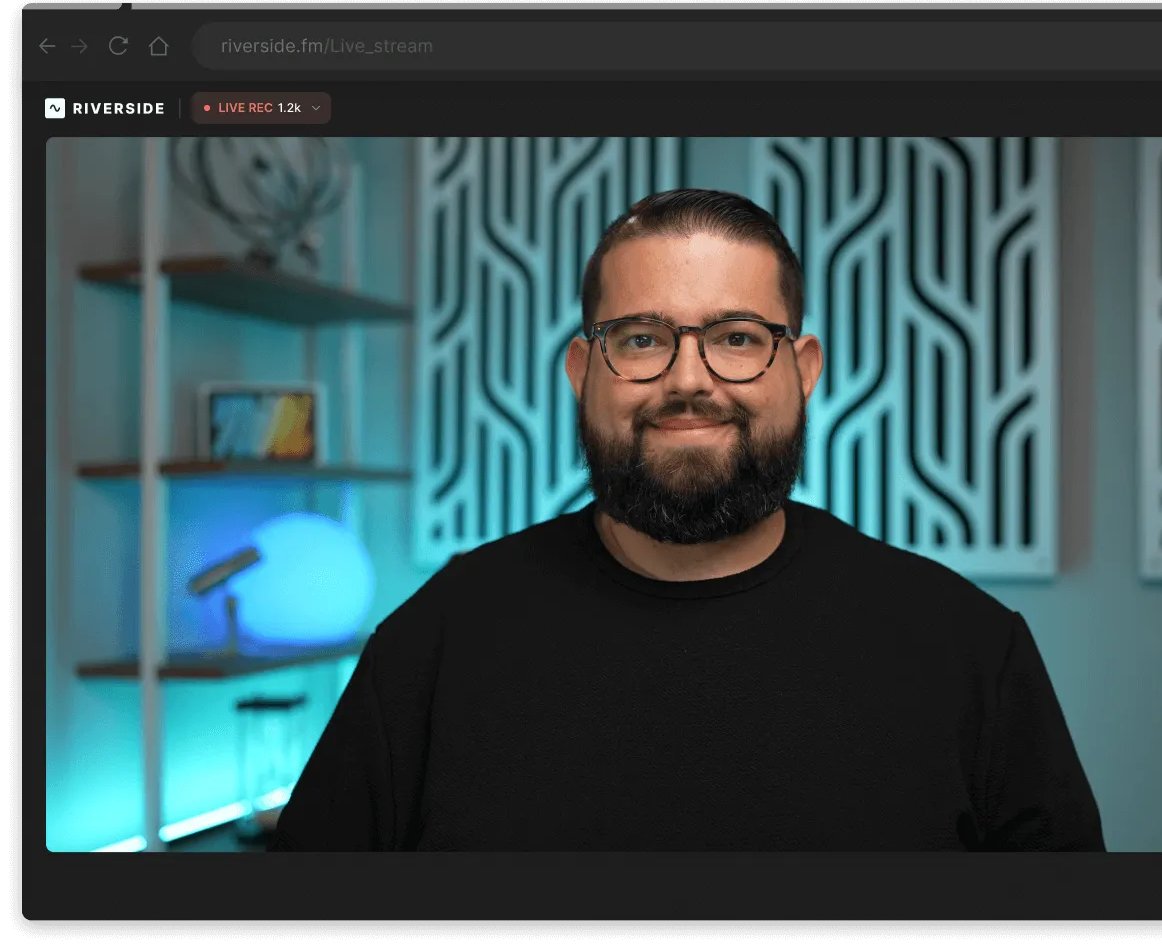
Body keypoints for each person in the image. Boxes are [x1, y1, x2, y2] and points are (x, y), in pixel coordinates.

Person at [269, 188, 1105, 852]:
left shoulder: (968, 650)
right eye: (640, 338)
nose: (689, 379)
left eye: (737, 337)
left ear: (801, 369)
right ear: (581, 369)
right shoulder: (436, 641)